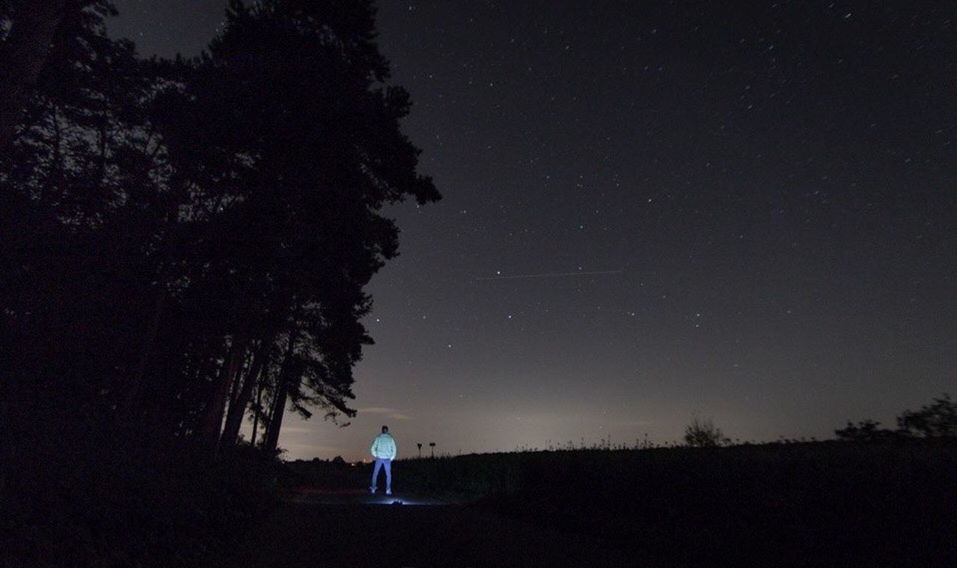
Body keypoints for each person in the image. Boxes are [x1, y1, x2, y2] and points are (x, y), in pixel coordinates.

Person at [369, 425, 397, 495]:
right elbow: (394, 449)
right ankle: (388, 490)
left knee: (375, 474)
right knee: (388, 475)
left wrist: (376, 455)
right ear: (387, 431)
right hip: (387, 459)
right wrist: (391, 458)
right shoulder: (391, 438)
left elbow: (372, 448)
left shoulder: (378, 438)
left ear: (382, 430)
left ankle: (373, 488)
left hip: (379, 458)